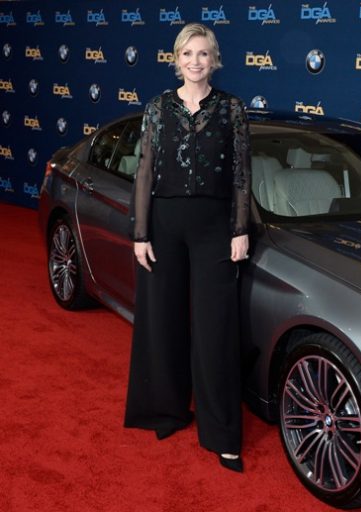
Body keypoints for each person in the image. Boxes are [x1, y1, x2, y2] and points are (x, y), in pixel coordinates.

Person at [124, 23, 255, 473]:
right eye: (187, 53)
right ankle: (167, 409)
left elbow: (241, 174)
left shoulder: (232, 109)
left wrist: (240, 229)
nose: (195, 61)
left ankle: (222, 434)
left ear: (214, 59)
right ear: (176, 59)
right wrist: (140, 234)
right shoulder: (158, 108)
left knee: (216, 330)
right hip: (163, 225)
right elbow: (144, 173)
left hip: (214, 229)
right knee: (162, 321)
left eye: (203, 53)